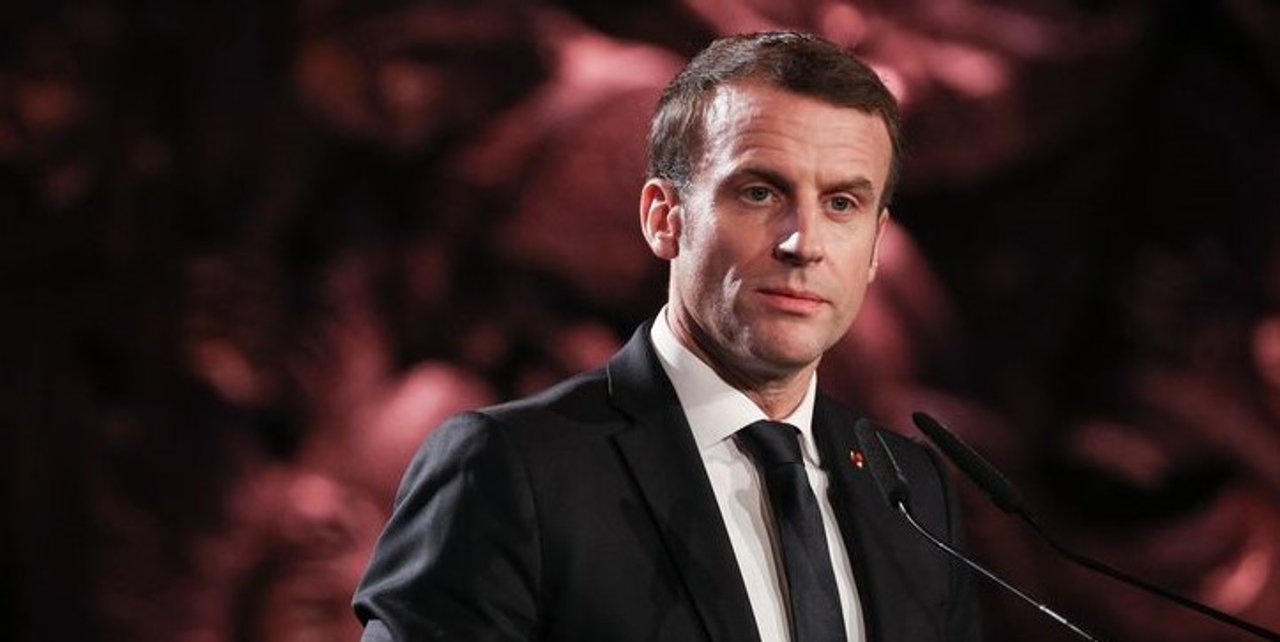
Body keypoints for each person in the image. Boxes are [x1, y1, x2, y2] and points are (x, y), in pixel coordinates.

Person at [353, 31, 982, 642]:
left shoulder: (913, 489)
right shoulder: (506, 468)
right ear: (663, 218)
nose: (803, 243)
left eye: (842, 204)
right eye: (759, 193)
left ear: (876, 245)